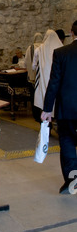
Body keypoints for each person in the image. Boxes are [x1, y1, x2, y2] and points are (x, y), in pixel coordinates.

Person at [41, 21, 77, 194]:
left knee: (68, 142)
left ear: (72, 33)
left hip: (67, 107)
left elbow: (54, 82)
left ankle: (72, 180)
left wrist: (47, 109)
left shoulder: (61, 53)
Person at [32, 29, 63, 120]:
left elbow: (34, 66)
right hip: (57, 78)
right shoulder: (61, 48)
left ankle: (46, 121)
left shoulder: (39, 49)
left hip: (43, 79)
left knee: (45, 98)